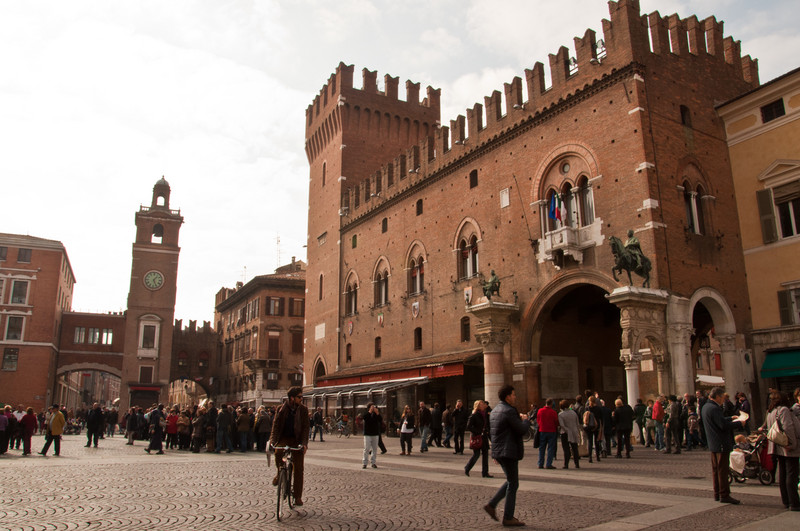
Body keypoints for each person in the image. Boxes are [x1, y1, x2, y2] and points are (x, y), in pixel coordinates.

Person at [483, 385, 529, 527]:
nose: (515, 397)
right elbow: (521, 430)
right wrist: (526, 419)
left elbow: (494, 432)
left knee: (511, 481)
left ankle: (492, 505)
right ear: (508, 396)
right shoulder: (509, 411)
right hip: (508, 450)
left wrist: (495, 453)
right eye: (514, 394)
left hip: (500, 450)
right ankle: (508, 517)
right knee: (513, 483)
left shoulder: (495, 410)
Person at [701, 387, 744, 504]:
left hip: (713, 444)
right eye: (723, 398)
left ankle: (717, 493)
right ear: (718, 397)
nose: (723, 401)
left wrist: (730, 418)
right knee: (722, 470)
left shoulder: (706, 407)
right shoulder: (715, 408)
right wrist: (739, 423)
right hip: (720, 443)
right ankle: (724, 494)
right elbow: (722, 425)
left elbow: (718, 421)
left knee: (716, 470)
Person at [269, 387, 309, 506]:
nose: (301, 399)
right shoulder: (281, 409)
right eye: (299, 397)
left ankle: (297, 496)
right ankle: (279, 471)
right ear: (292, 398)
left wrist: (304, 444)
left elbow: (306, 428)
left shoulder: (303, 410)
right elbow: (275, 426)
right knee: (278, 452)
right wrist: (273, 441)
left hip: (297, 440)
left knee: (299, 468)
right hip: (284, 438)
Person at [761, 391, 800, 511]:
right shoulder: (784, 410)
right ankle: (794, 502)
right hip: (787, 446)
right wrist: (792, 444)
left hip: (777, 446)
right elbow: (788, 427)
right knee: (791, 474)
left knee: (783, 473)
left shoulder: (771, 411)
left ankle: (786, 501)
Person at [465, 400, 491, 477]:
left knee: (485, 454)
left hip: (484, 437)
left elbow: (486, 425)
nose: (484, 405)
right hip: (477, 437)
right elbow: (468, 426)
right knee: (476, 454)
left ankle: (485, 472)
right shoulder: (474, 415)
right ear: (478, 406)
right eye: (482, 404)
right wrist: (477, 431)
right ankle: (467, 467)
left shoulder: (485, 414)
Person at [536, 398, 559, 469]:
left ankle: (540, 463)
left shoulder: (540, 411)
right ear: (551, 404)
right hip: (551, 431)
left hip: (542, 430)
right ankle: (549, 463)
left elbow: (538, 420)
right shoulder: (553, 412)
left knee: (542, 448)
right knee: (550, 448)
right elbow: (556, 422)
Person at [558, 399, 580, 469]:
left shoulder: (561, 414)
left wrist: (567, 430)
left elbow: (562, 425)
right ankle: (577, 464)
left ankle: (566, 464)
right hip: (574, 431)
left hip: (565, 433)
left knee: (566, 449)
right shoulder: (574, 413)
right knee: (575, 448)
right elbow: (577, 423)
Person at [361, 402, 382, 468]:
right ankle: (365, 463)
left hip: (375, 433)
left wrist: (377, 412)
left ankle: (373, 462)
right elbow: (365, 418)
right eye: (372, 407)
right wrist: (370, 411)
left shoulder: (376, 414)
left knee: (374, 449)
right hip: (367, 434)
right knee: (366, 449)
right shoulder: (366, 413)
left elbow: (380, 420)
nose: (373, 408)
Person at [584, 396, 602, 463]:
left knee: (590, 441)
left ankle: (590, 457)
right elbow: (601, 418)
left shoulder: (587, 408)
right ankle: (597, 456)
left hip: (589, 426)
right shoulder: (598, 408)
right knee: (596, 441)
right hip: (596, 426)